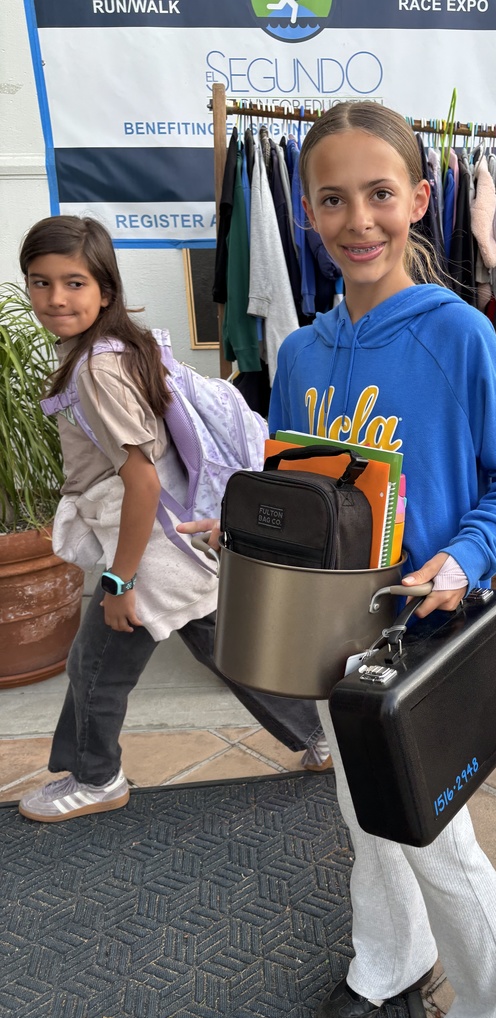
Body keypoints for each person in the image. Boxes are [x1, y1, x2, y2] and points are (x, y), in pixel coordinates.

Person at [183, 101, 496, 1018]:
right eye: (334, 199)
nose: (359, 220)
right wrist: (241, 532)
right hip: (332, 636)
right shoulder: (301, 350)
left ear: (421, 199)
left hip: (421, 636)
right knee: (364, 815)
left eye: (380, 193)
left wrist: (461, 562)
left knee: (436, 839)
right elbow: (312, 498)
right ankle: (389, 959)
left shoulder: (457, 334)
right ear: (305, 211)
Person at [16, 215, 329, 824]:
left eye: (74, 283)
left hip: (150, 549)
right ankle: (318, 741)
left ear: (104, 290)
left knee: (95, 667)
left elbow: (141, 480)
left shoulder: (96, 371)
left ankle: (96, 779)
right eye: (40, 282)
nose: (56, 298)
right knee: (232, 650)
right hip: (179, 539)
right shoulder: (116, 349)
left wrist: (119, 582)